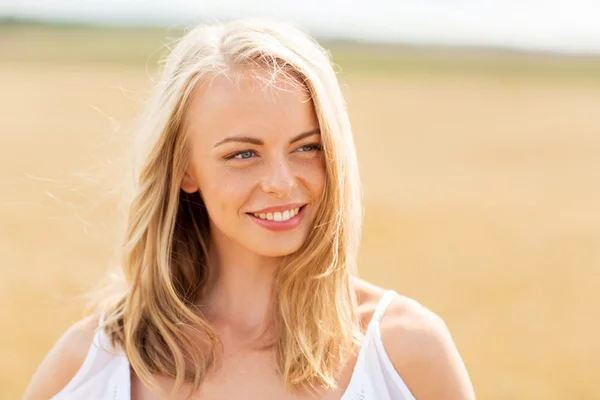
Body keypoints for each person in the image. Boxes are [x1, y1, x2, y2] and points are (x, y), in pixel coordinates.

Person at [23, 18, 475, 400]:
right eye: (243, 154)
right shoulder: (92, 364)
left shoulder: (406, 352)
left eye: (307, 147)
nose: (281, 182)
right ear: (185, 170)